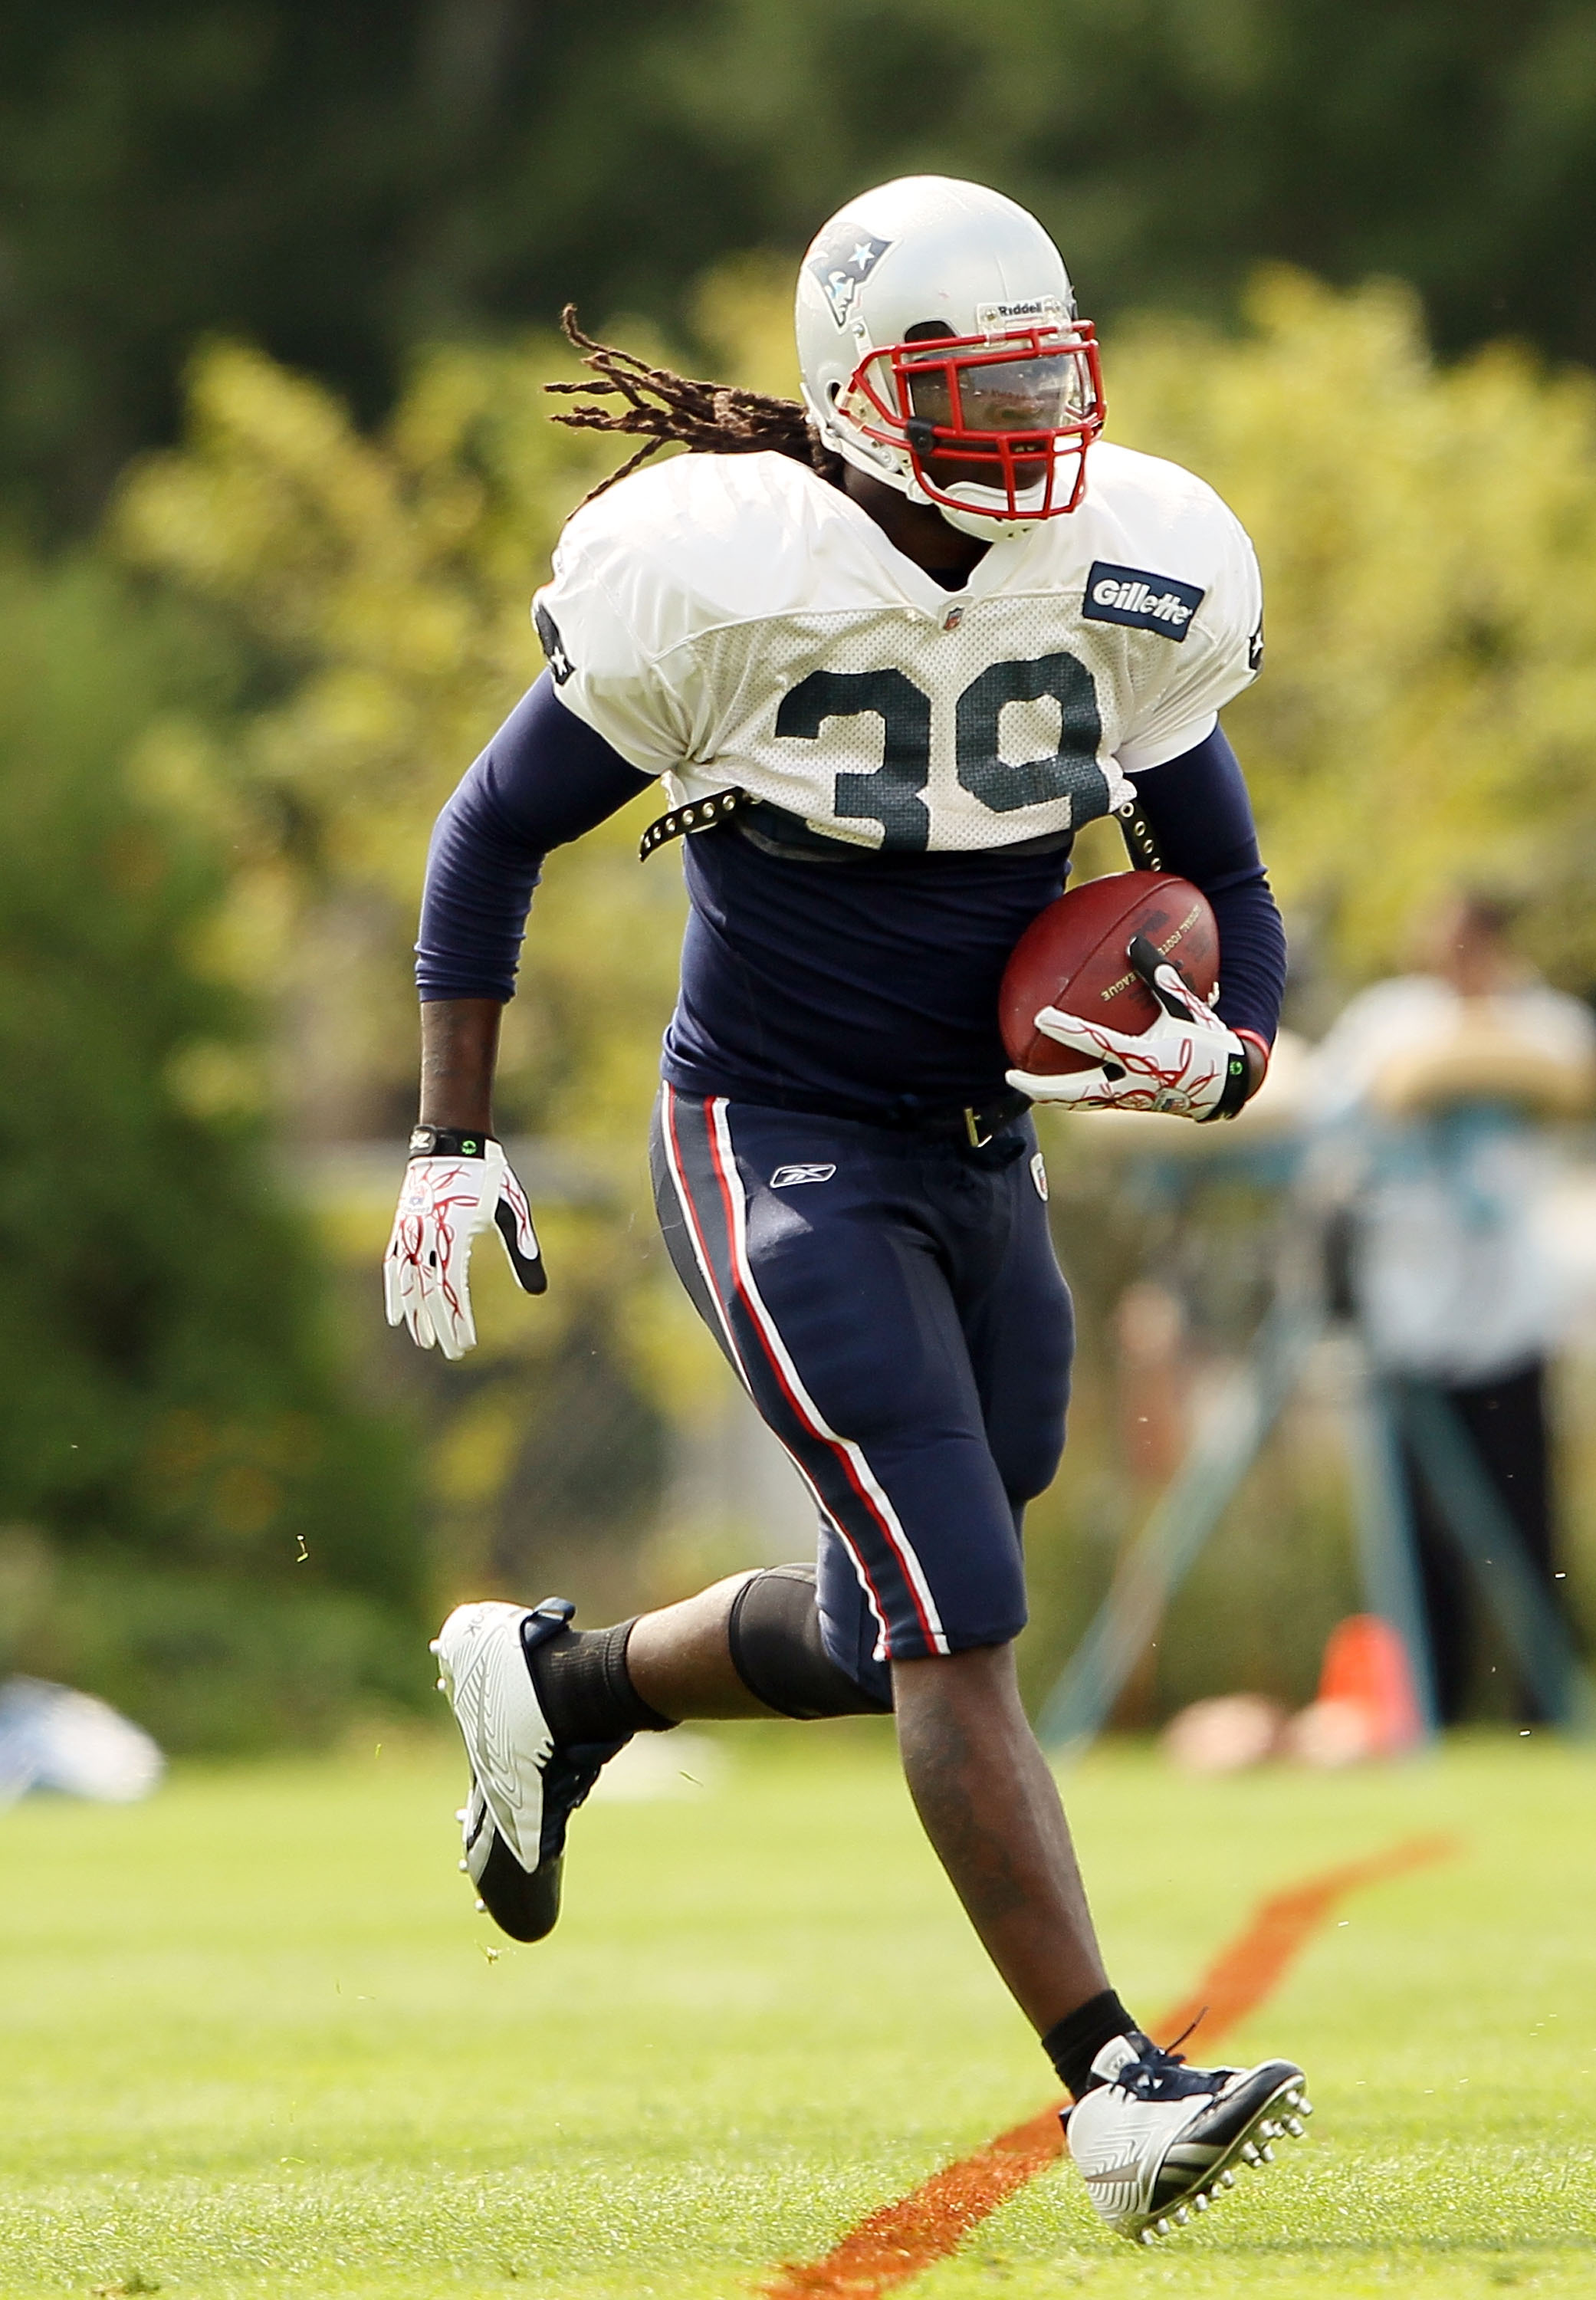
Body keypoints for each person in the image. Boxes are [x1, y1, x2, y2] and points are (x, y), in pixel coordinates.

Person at [384, 176, 1305, 2244]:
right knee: (957, 1622)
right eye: (971, 381)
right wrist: (453, 1135)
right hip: (774, 1137)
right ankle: (1113, 2088)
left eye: (1042, 374)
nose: (1023, 423)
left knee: (918, 1581)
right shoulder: (716, 577)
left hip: (979, 1148)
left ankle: (567, 1686)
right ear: (858, 396)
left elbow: (1226, 884)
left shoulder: (1134, 560)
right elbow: (488, 833)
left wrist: (1233, 1046)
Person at [1309, 892, 1596, 1722]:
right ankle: (1440, 1700)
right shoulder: (1388, 1023)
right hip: (1410, 1310)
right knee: (1420, 1528)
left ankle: (1544, 1701)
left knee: (1524, 1513)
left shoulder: (1547, 1024)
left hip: (1509, 1313)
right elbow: (1337, 1113)